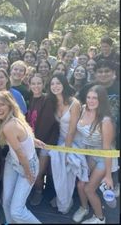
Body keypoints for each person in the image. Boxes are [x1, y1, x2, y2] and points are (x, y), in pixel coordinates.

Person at [0, 90, 45, 223]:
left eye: (2, 104)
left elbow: (21, 153)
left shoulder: (9, 126)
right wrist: (33, 140)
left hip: (26, 164)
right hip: (12, 161)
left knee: (17, 211)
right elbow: (23, 136)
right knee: (6, 202)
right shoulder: (16, 118)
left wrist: (28, 172)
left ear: (10, 105)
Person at [73, 85, 115, 224]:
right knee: (80, 185)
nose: (91, 101)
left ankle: (100, 218)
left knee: (89, 189)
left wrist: (108, 176)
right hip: (88, 153)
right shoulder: (84, 109)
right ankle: (84, 208)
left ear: (101, 100)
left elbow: (107, 150)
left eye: (95, 98)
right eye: (89, 97)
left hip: (103, 157)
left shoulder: (105, 121)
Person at [47, 73, 87, 214]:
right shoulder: (52, 102)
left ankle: (65, 202)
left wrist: (66, 152)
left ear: (64, 84)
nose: (55, 86)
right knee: (59, 171)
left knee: (67, 170)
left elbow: (72, 130)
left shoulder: (74, 103)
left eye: (58, 83)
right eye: (52, 84)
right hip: (61, 140)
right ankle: (61, 198)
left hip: (74, 141)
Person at [26, 73, 59, 206]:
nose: (36, 86)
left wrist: (36, 142)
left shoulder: (47, 100)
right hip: (31, 142)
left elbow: (47, 123)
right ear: (29, 85)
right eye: (33, 83)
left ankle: (39, 192)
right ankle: (31, 191)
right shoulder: (30, 99)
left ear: (43, 84)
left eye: (38, 83)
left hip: (44, 143)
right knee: (31, 170)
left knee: (39, 172)